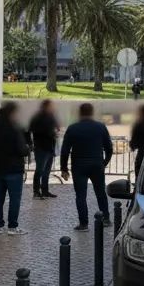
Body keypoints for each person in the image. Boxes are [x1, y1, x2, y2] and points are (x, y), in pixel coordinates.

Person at [60, 102, 113, 232]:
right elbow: (109, 148)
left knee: (80, 196)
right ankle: (105, 218)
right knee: (100, 192)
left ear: (80, 113)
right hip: (96, 164)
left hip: (79, 166)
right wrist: (104, 162)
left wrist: (64, 168)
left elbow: (65, 150)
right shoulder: (100, 127)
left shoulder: (73, 128)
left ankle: (84, 224)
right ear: (92, 113)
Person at [0, 101, 31, 234]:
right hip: (13, 169)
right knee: (14, 199)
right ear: (12, 113)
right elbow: (21, 149)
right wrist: (27, 149)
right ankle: (12, 226)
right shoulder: (15, 129)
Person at [27, 99, 60, 199]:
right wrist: (51, 132)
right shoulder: (38, 117)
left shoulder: (51, 116)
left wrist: (55, 128)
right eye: (51, 106)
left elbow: (55, 127)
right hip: (41, 147)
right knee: (40, 170)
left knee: (47, 171)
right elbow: (32, 129)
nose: (53, 107)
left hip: (50, 147)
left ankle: (45, 190)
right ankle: (36, 192)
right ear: (46, 106)